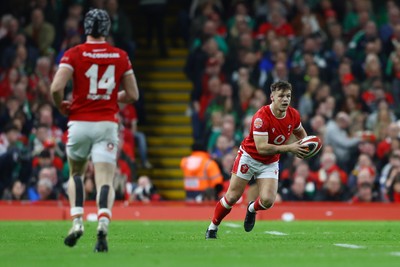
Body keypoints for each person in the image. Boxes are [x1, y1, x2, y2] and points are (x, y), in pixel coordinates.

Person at [50, 9, 139, 252]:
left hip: (78, 122)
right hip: (106, 124)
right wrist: (109, 98)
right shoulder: (120, 55)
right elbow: (133, 94)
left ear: (85, 28)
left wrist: (62, 106)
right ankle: (102, 224)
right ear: (107, 29)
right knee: (105, 180)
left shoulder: (74, 53)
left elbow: (56, 87)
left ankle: (77, 222)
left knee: (76, 174)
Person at [205, 80, 309, 239]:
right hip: (249, 157)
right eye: (281, 96)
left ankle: (251, 209)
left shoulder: (293, 114)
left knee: (268, 201)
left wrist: (306, 145)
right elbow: (262, 147)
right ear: (272, 97)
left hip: (270, 161)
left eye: (288, 96)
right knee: (232, 196)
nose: (285, 99)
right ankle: (212, 227)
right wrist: (290, 148)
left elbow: (301, 132)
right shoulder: (261, 117)